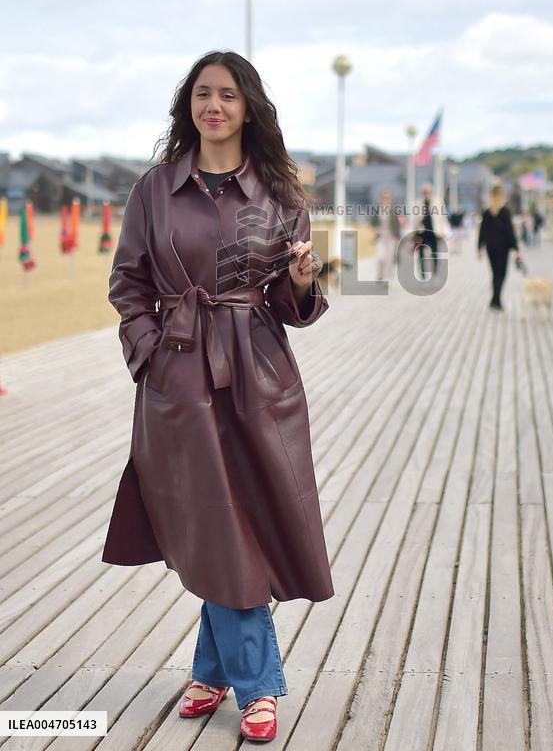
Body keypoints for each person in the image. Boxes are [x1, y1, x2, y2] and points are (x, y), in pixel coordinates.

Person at [102, 50, 334, 743]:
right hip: (177, 374)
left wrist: (297, 280)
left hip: (257, 373)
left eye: (228, 95)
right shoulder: (155, 189)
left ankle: (214, 671)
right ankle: (256, 683)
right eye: (203, 94)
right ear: (189, 106)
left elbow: (294, 308)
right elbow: (127, 284)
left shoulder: (280, 194)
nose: (214, 105)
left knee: (242, 519)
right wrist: (150, 356)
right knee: (216, 521)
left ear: (247, 107)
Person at [477, 182, 521, 310]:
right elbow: (509, 233)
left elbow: (482, 231)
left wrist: (479, 248)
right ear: (502, 196)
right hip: (503, 248)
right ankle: (496, 300)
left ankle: (495, 300)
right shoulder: (505, 212)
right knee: (501, 274)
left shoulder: (486, 212)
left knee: (495, 273)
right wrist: (516, 249)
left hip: (491, 247)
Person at [370, 188, 401, 280]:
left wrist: (398, 238)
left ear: (390, 198)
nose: (385, 199)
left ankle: (387, 278)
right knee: (380, 257)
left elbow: (398, 225)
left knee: (389, 258)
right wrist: (375, 229)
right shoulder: (377, 209)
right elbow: (372, 223)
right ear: (381, 198)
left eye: (387, 197)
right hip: (380, 237)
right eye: (384, 197)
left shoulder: (394, 210)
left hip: (391, 237)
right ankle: (380, 274)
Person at [413, 183, 440, 279]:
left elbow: (441, 218)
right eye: (425, 192)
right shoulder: (418, 202)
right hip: (422, 231)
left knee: (435, 252)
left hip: (434, 231)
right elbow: (415, 219)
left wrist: (442, 232)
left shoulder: (437, 202)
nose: (426, 194)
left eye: (428, 192)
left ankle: (435, 272)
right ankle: (423, 274)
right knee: (421, 254)